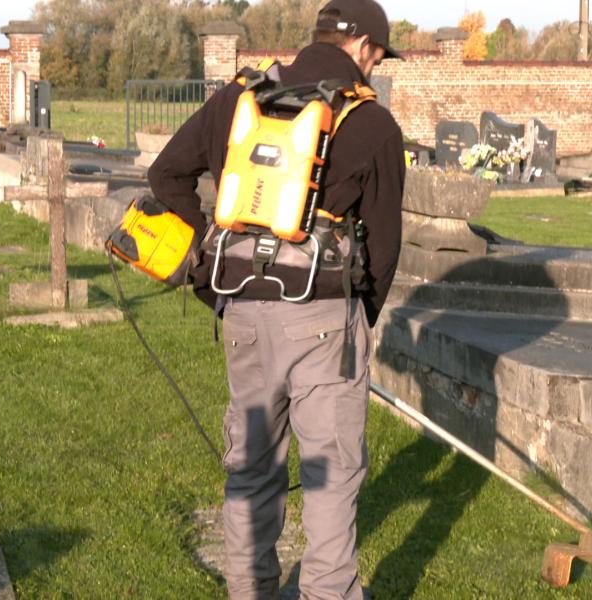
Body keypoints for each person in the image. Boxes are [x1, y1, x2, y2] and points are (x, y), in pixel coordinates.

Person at [148, 1, 405, 597]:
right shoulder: (372, 124)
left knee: (252, 469)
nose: (374, 67)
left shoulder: (240, 98)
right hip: (323, 320)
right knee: (330, 478)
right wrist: (358, 320)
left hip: (240, 312)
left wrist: (208, 265)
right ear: (364, 47)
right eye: (376, 55)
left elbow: (166, 177)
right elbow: (385, 248)